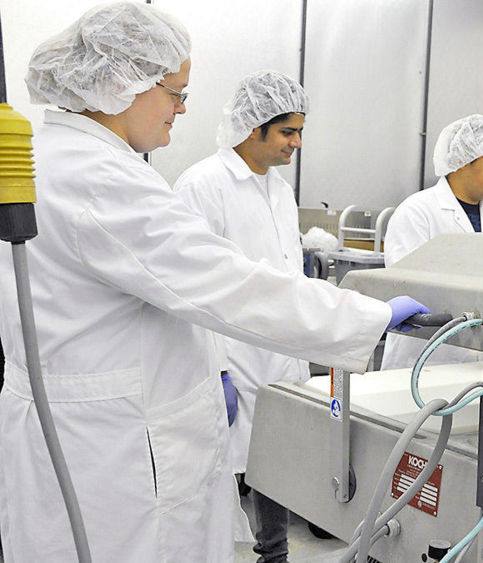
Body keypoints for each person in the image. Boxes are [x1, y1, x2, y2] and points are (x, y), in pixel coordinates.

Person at [0, 4, 427, 561]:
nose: (181, 109)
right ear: (116, 83)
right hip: (118, 444)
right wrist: (364, 317)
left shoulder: (55, 154)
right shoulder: (101, 179)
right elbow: (227, 284)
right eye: (175, 92)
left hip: (93, 424)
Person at [174, 70, 310, 563]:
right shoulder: (203, 184)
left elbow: (289, 274)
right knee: (216, 470)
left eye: (299, 132)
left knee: (275, 462)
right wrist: (220, 368)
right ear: (255, 128)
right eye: (288, 132)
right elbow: (191, 286)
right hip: (228, 356)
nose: (296, 143)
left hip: (280, 355)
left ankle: (273, 554)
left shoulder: (279, 190)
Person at [380, 114, 483, 370]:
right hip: (423, 357)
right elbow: (406, 286)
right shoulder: (417, 211)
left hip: (481, 357)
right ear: (462, 160)